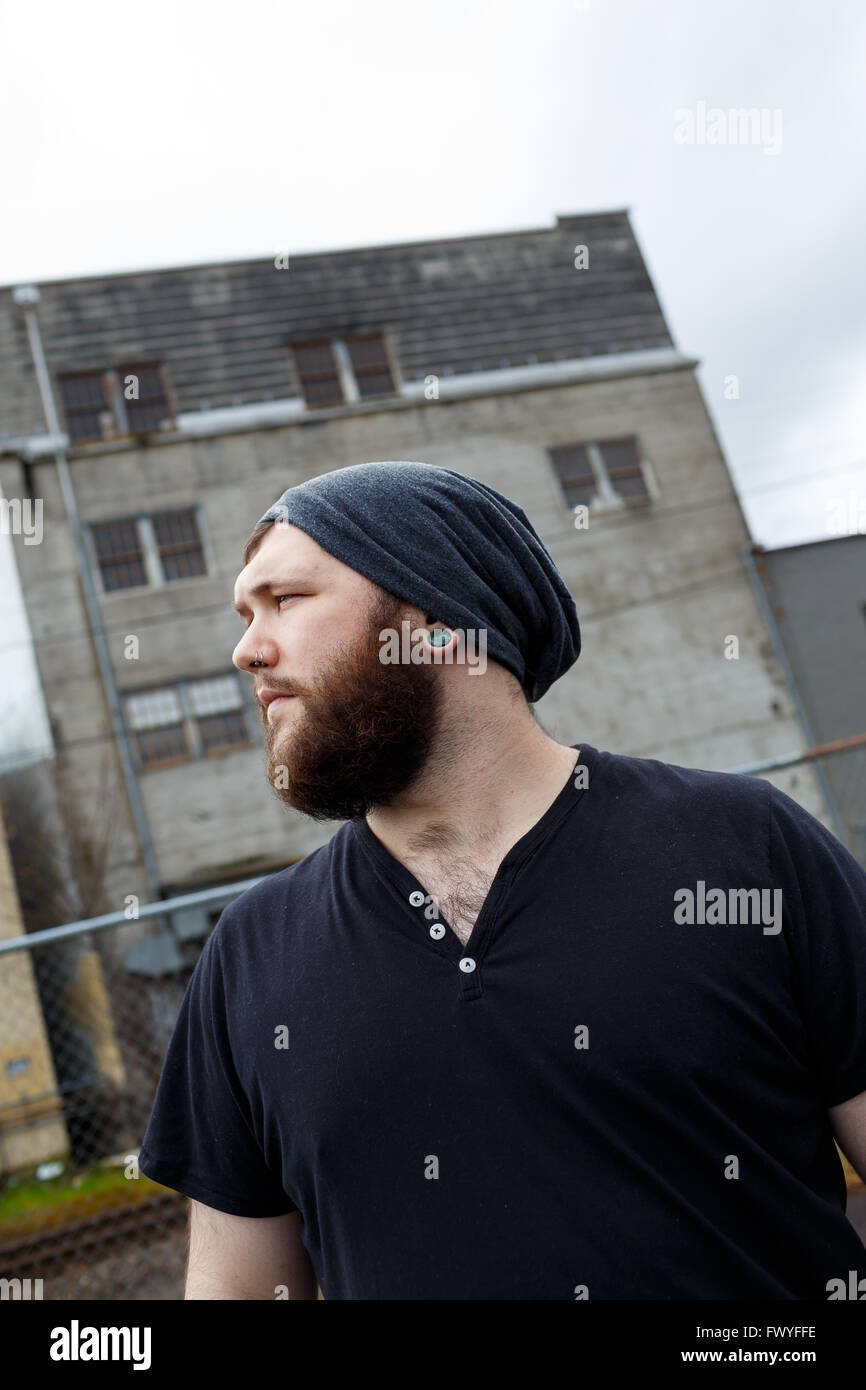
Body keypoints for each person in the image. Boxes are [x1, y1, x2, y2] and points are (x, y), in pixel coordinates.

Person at [139, 460, 866, 1300]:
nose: (246, 649)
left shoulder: (745, 850)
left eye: (288, 601)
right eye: (245, 613)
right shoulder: (249, 955)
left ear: (438, 621)